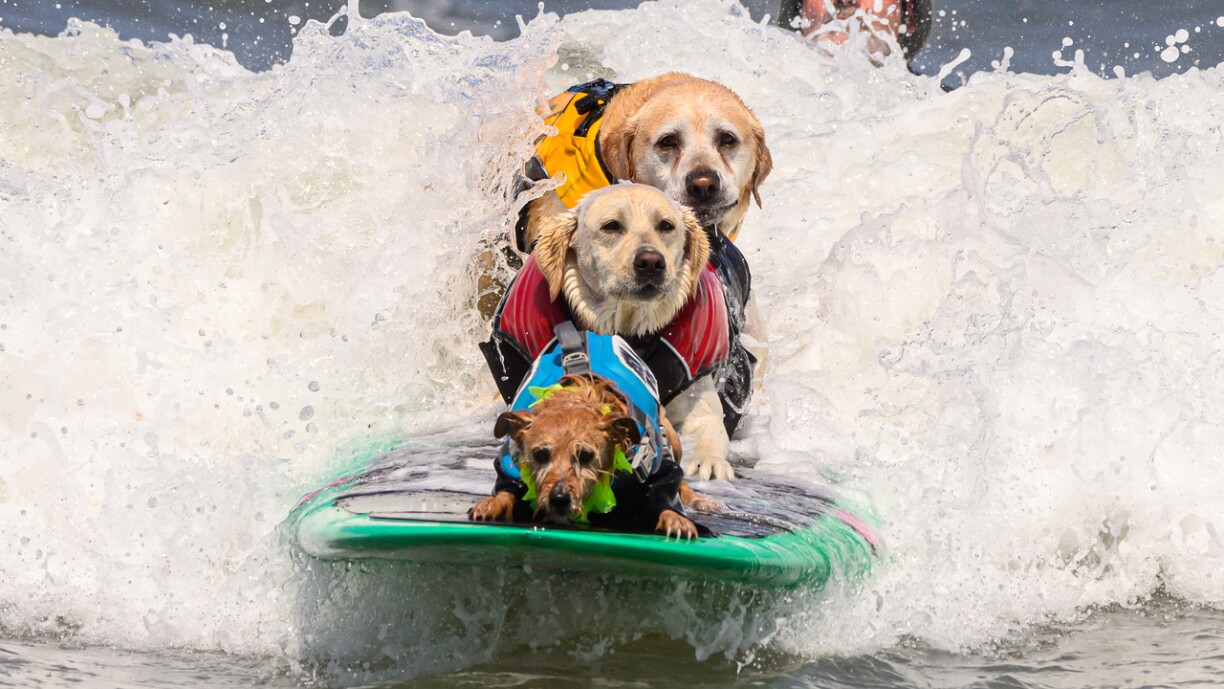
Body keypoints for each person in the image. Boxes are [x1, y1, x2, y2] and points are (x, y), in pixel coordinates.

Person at [779, 0, 933, 65]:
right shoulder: (758, 115)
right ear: (800, 9)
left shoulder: (949, 117)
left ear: (910, 16)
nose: (846, 1)